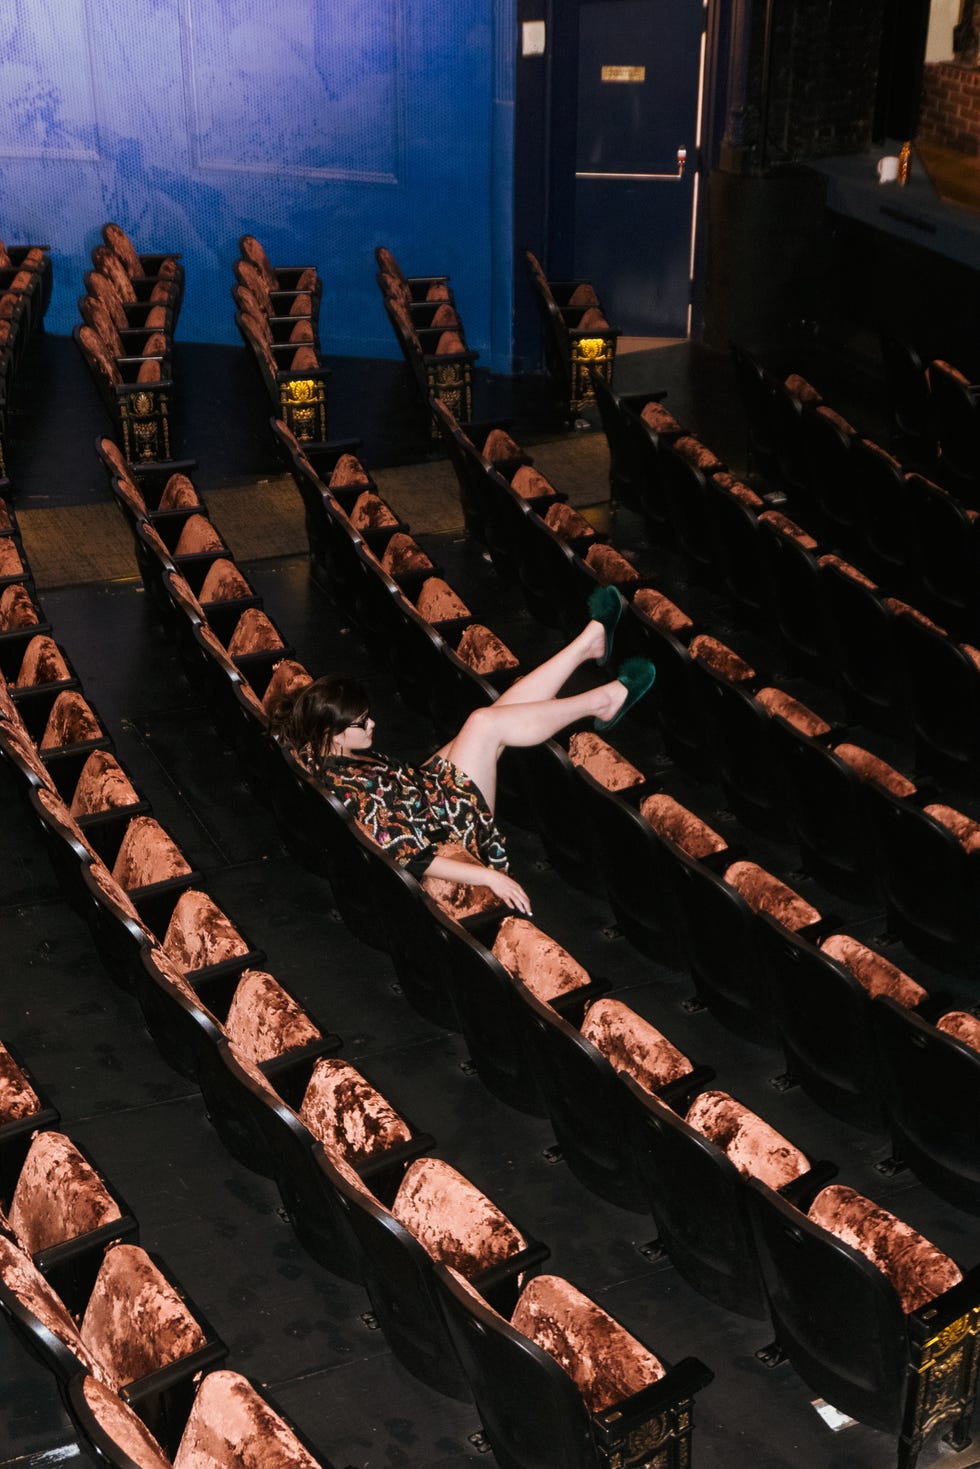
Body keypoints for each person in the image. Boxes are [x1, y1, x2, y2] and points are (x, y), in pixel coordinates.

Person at [269, 588, 655, 914]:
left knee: (493, 715)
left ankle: (586, 646)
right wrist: (489, 875)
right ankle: (601, 702)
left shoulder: (319, 743)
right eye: (362, 723)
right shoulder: (350, 792)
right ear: (333, 733)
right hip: (448, 824)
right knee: (486, 723)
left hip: (424, 792)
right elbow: (409, 856)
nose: (373, 725)